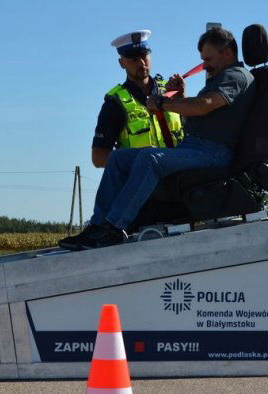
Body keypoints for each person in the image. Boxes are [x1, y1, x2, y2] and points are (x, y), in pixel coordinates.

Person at [61, 27, 255, 250]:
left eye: (208, 59)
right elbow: (203, 116)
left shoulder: (235, 76)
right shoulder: (117, 101)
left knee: (150, 158)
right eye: (203, 60)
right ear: (122, 63)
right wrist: (181, 98)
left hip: (213, 152)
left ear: (228, 53)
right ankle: (97, 227)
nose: (205, 66)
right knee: (119, 159)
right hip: (196, 148)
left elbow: (205, 105)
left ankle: (114, 228)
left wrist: (164, 102)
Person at [90, 30, 184, 169]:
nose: (141, 62)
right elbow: (98, 158)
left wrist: (183, 98)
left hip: (179, 177)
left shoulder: (171, 90)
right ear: (122, 63)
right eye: (133, 59)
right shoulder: (115, 103)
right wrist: (140, 158)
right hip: (143, 182)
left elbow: (195, 133)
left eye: (144, 56)